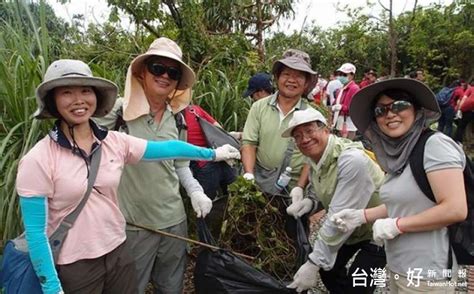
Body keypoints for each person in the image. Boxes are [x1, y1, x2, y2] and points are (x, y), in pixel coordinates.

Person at [14, 59, 240, 294]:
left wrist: (213, 154)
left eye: (85, 91)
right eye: (67, 92)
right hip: (74, 263)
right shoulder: (38, 159)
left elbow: (168, 148)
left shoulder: (113, 142)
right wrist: (51, 287)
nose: (78, 100)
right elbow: (36, 233)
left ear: (96, 97)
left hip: (118, 252)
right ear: (53, 100)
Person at [95, 37, 226, 293]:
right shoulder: (118, 112)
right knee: (131, 287)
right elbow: (83, 140)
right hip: (132, 225)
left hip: (173, 221)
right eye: (157, 68)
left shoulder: (179, 120)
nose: (165, 76)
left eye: (173, 72)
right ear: (142, 72)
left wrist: (195, 192)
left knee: (171, 287)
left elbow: (180, 166)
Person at [332, 78, 467, 293]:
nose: (390, 114)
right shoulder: (401, 153)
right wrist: (361, 216)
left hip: (427, 273)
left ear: (416, 110)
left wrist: (397, 225)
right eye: (381, 110)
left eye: (399, 105)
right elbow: (409, 202)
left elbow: (455, 208)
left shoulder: (434, 145)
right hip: (399, 266)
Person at [283, 108, 386, 293]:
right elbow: (328, 191)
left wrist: (313, 262)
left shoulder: (351, 160)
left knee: (359, 283)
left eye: (309, 131)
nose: (304, 139)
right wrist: (311, 203)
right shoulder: (317, 159)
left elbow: (337, 216)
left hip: (377, 232)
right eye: (297, 136)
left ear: (325, 129)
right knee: (328, 270)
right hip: (351, 228)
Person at [241, 49, 316, 196]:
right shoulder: (259, 107)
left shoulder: (312, 115)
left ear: (306, 83)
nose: (291, 80)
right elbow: (249, 142)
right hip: (261, 181)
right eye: (286, 74)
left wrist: (300, 188)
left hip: (293, 186)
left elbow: (312, 157)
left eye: (299, 76)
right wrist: (249, 174)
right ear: (277, 77)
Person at [331, 63, 360, 139]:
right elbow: (336, 102)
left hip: (348, 123)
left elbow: (354, 108)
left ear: (352, 75)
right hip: (339, 121)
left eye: (344, 75)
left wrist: (342, 107)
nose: (341, 77)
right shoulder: (342, 89)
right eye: (340, 74)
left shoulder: (354, 88)